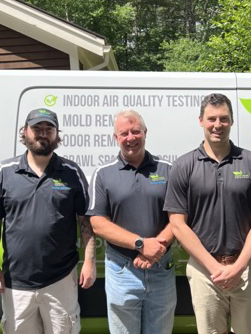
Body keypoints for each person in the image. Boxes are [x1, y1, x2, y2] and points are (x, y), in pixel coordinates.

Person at [164, 93, 251, 334]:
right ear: (201, 121)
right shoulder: (184, 166)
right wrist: (214, 267)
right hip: (204, 270)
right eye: (212, 119)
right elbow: (177, 225)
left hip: (245, 267)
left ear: (232, 121)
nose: (218, 125)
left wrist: (238, 267)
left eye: (224, 119)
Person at [0, 108, 96, 334]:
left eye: (49, 129)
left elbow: (86, 222)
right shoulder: (4, 172)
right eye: (37, 129)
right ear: (25, 132)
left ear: (57, 134)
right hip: (16, 282)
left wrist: (89, 261)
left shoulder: (71, 172)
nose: (43, 134)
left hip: (61, 279)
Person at [87, 110, 176, 334]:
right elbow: (97, 223)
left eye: (136, 131)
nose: (130, 137)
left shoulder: (167, 170)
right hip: (121, 271)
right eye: (124, 133)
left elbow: (180, 216)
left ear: (145, 133)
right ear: (115, 138)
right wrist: (140, 244)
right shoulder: (102, 174)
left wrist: (157, 247)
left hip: (161, 266)